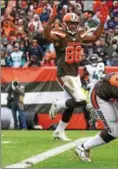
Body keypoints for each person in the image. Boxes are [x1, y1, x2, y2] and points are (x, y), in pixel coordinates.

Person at [43, 4, 109, 141]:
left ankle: (59, 131)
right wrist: (50, 19)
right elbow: (46, 35)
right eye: (70, 23)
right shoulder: (60, 35)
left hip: (75, 75)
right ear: (64, 24)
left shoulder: (80, 34)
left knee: (72, 104)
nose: (72, 25)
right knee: (81, 101)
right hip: (64, 73)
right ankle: (58, 104)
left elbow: (95, 36)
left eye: (74, 23)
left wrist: (102, 22)